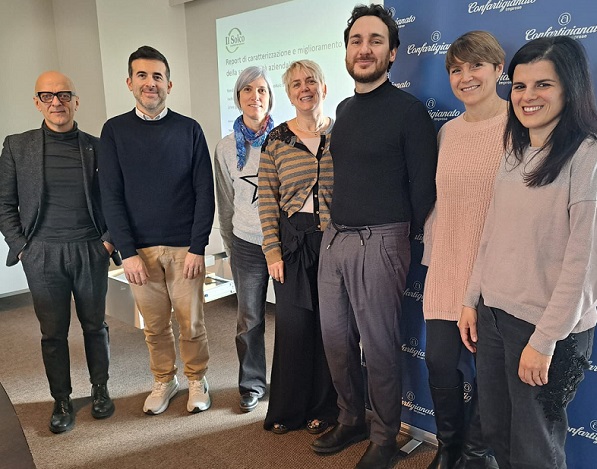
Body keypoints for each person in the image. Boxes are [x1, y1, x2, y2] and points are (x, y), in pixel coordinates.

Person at [460, 36, 597, 469]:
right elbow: (491, 234)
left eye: (543, 85)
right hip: (494, 317)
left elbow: (583, 267)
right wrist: (471, 300)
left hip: (544, 328)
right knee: (498, 433)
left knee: (536, 450)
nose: (527, 96)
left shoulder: (587, 157)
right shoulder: (514, 152)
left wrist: (545, 339)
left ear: (570, 89)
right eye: (519, 86)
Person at [312, 5, 437, 469]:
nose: (364, 49)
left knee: (380, 347)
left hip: (381, 240)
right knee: (335, 340)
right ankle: (351, 419)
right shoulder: (344, 109)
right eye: (356, 41)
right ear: (347, 50)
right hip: (335, 238)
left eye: (375, 41)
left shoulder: (409, 112)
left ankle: (385, 437)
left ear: (393, 53)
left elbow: (424, 189)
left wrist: (392, 233)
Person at [99, 46, 215, 415]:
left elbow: (204, 191)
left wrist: (198, 246)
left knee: (191, 323)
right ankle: (165, 379)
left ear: (169, 84)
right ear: (130, 83)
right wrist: (127, 252)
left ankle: (196, 379)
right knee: (155, 327)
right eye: (143, 76)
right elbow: (111, 196)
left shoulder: (189, 129)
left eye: (158, 77)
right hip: (140, 253)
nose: (151, 83)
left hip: (185, 250)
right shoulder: (114, 131)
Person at [0, 71, 117, 433]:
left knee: (95, 326)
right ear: (37, 102)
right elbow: (4, 203)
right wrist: (22, 248)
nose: (56, 102)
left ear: (76, 101)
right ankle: (61, 399)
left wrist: (108, 242)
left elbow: (117, 199)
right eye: (47, 96)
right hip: (42, 255)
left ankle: (100, 389)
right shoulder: (17, 146)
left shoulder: (98, 146)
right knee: (53, 333)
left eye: (64, 95)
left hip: (90, 250)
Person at [421, 31, 505, 469]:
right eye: (456, 69)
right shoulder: (447, 132)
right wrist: (433, 258)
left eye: (476, 66)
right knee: (439, 363)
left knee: (492, 377)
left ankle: (477, 452)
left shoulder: (518, 127)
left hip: (494, 275)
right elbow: (441, 203)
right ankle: (448, 446)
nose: (465, 76)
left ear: (498, 69)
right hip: (447, 267)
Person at [258, 60, 338, 435]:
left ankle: (324, 409)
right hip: (292, 244)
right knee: (293, 327)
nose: (304, 88)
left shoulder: (342, 134)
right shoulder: (276, 140)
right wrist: (272, 250)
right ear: (289, 94)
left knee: (328, 328)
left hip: (335, 241)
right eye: (295, 84)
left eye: (310, 81)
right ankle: (287, 410)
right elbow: (267, 200)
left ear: (324, 88)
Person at [214, 66, 275, 413]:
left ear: (271, 97)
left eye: (262, 90)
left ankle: (291, 383)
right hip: (246, 246)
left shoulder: (284, 139)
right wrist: (230, 245)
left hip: (284, 245)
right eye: (248, 90)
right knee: (249, 319)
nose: (255, 96)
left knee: (293, 318)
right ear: (238, 97)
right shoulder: (225, 148)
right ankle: (252, 384)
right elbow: (225, 201)